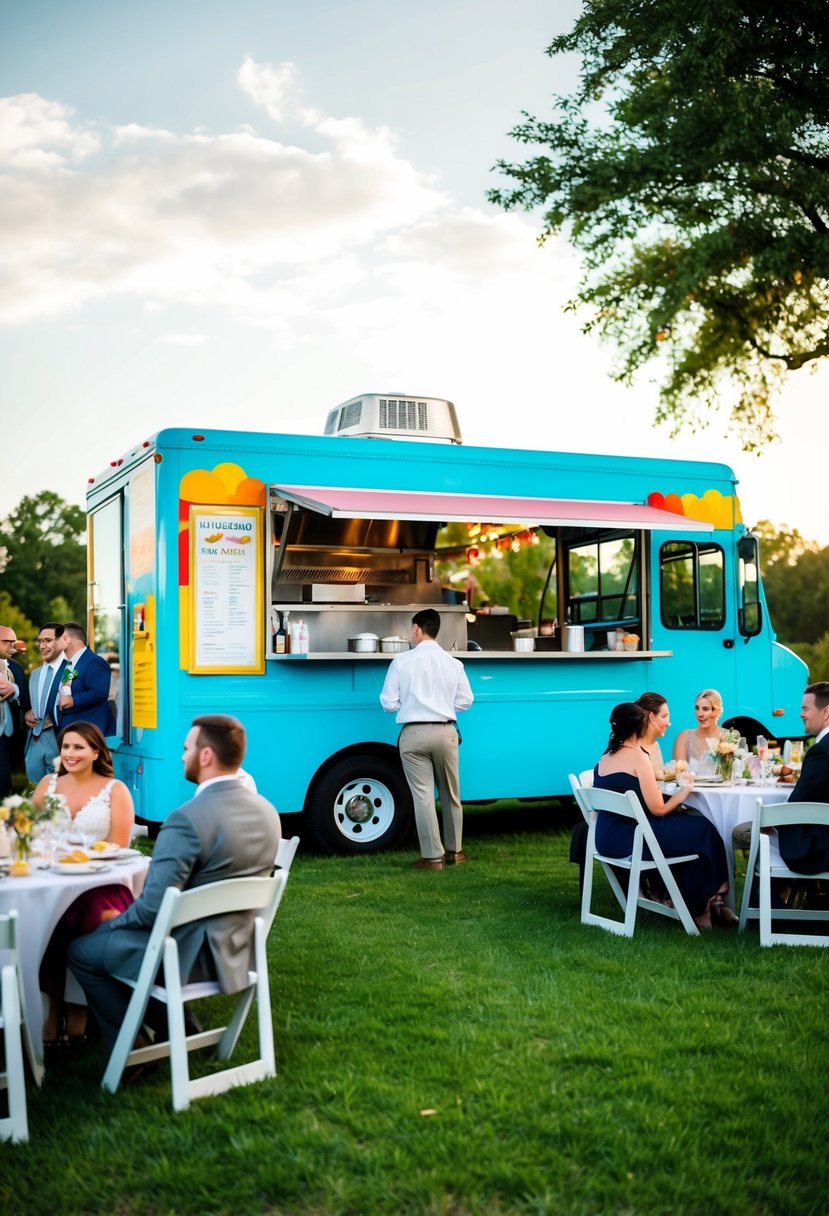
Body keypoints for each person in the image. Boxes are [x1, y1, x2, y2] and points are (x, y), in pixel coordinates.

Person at [68, 714, 281, 1049]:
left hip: (188, 957)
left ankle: (133, 1047)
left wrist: (112, 925)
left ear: (206, 756)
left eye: (186, 748)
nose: (183, 756)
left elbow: (151, 910)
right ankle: (178, 1027)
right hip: (240, 949)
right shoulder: (268, 811)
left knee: (83, 949)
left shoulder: (186, 819)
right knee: (116, 942)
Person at [33, 721, 136, 1046]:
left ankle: (78, 1010)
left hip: (101, 886)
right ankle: (52, 1010)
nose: (70, 754)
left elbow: (118, 845)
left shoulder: (114, 789)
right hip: (50, 880)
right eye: (65, 747)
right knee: (41, 920)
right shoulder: (48, 785)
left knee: (76, 917)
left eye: (78, 747)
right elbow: (29, 834)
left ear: (96, 752)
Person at [593, 701, 736, 929]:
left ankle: (702, 906)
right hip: (635, 840)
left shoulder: (605, 758)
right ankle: (711, 900)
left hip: (606, 839)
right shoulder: (639, 757)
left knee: (689, 840)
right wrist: (684, 792)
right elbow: (658, 809)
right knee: (704, 829)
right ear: (639, 728)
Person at [379, 608, 474, 870]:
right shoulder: (454, 663)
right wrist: (444, 706)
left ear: (418, 629)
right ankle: (455, 852)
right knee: (451, 795)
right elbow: (467, 700)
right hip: (446, 731)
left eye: (412, 629)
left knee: (423, 796)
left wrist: (407, 705)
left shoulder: (401, 662)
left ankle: (432, 857)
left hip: (414, 733)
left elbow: (388, 702)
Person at [778, 682, 829, 874]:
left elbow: (797, 804)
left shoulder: (821, 751)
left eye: (805, 708)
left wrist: (769, 823)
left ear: (826, 712)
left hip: (816, 848)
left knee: (753, 835)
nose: (801, 714)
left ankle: (775, 899)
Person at [24, 621, 69, 782]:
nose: (42, 646)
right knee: (33, 797)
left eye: (48, 640)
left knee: (58, 797)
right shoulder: (34, 675)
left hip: (59, 741)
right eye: (40, 641)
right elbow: (32, 705)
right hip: (33, 742)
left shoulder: (70, 671)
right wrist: (27, 713)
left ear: (62, 641)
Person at [57, 622, 115, 736]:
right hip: (70, 731)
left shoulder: (93, 661)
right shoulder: (69, 664)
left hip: (88, 732)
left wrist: (73, 701)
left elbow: (100, 692)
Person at [0, 623, 31, 798]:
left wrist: (15, 690)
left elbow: (27, 703)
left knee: (4, 785)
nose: (13, 646)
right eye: (6, 642)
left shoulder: (16, 669)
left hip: (6, 738)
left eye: (14, 641)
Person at [672, 688, 724, 768]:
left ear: (717, 711)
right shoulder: (683, 738)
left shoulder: (728, 738)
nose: (700, 714)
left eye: (705, 709)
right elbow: (679, 775)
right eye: (697, 708)